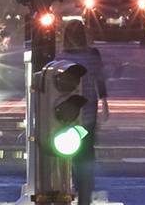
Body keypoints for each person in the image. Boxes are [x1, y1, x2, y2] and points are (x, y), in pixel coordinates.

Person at [59, 18, 110, 205]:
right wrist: (105, 104)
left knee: (70, 154)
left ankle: (77, 185)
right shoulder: (93, 55)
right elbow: (100, 81)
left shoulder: (60, 60)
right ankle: (86, 190)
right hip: (89, 115)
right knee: (87, 152)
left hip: (67, 117)